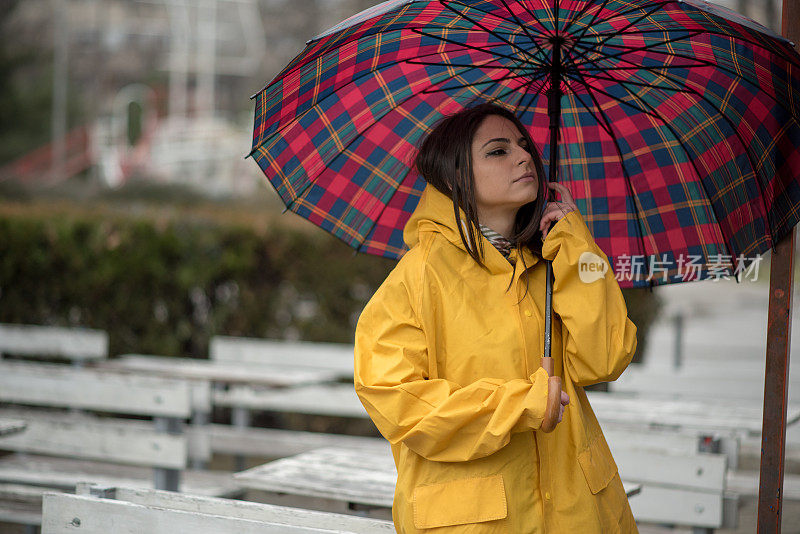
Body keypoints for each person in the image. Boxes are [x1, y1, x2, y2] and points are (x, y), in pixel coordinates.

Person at [353, 102, 639, 533]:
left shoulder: (552, 261)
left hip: (578, 513)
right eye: (498, 151)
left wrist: (578, 247)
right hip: (476, 521)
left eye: (523, 146)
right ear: (453, 176)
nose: (525, 157)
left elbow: (607, 358)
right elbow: (400, 405)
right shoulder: (417, 278)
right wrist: (518, 405)